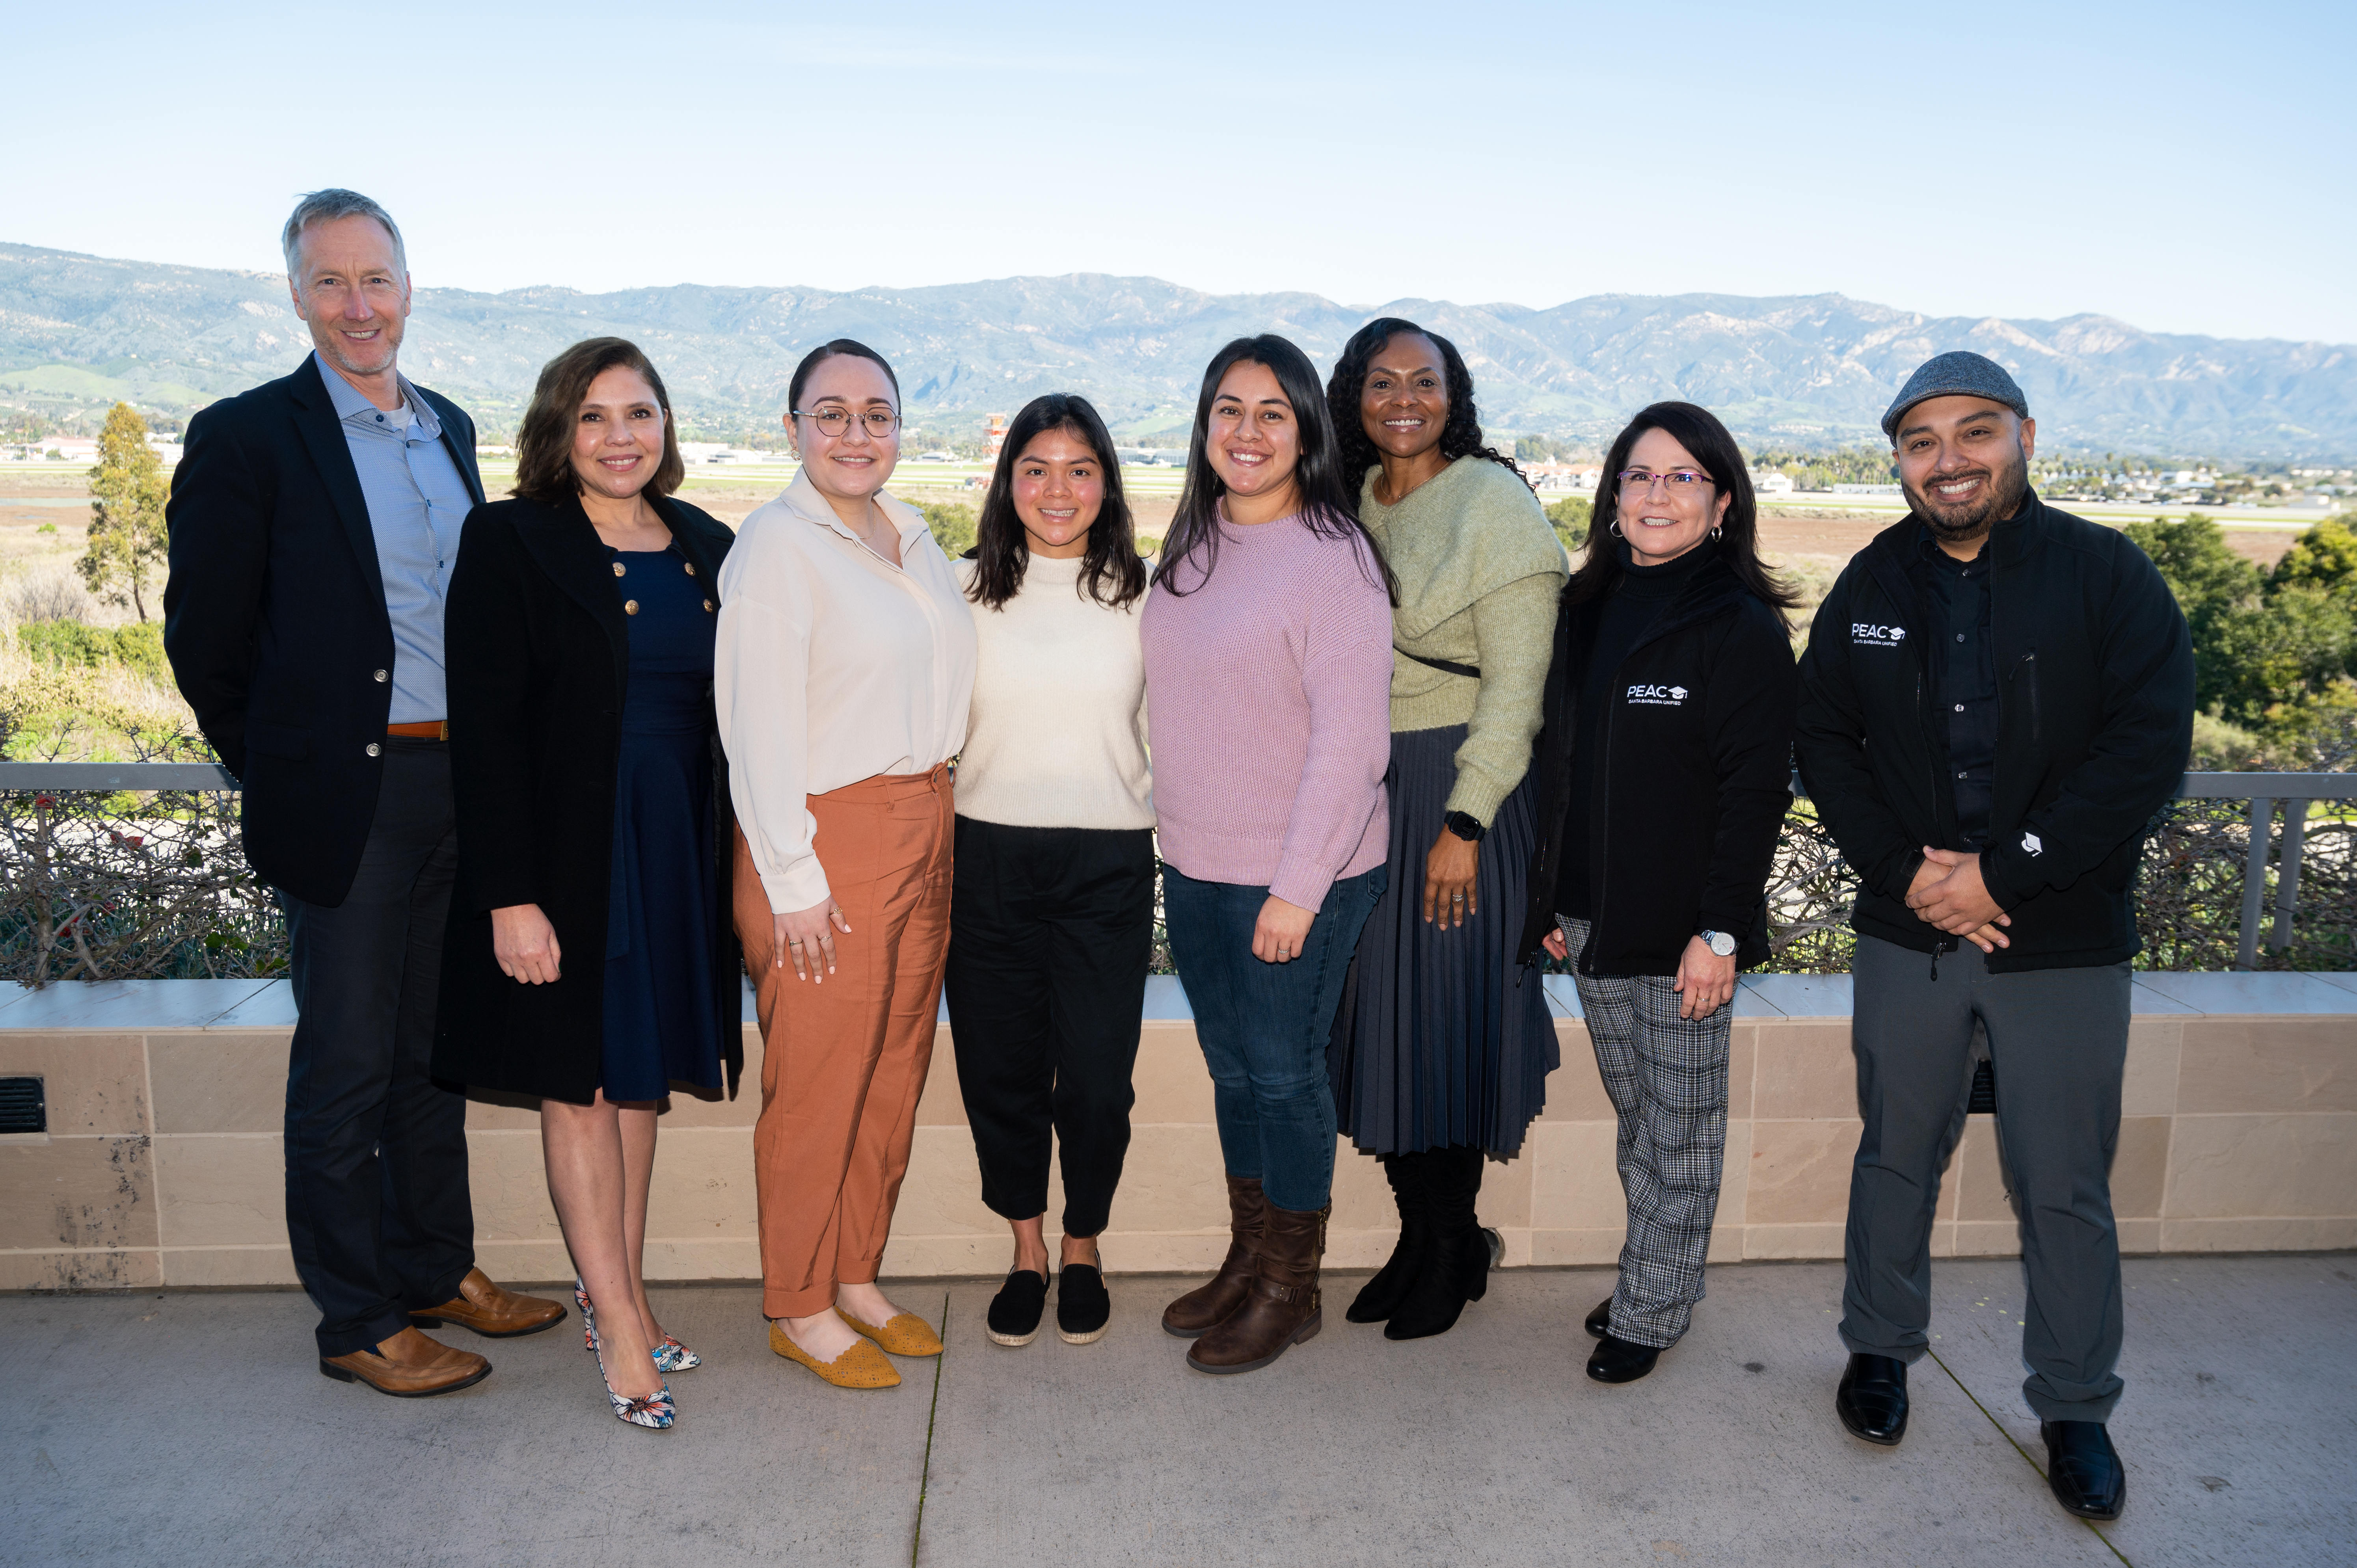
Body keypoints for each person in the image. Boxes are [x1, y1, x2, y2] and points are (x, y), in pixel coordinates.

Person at [162, 189, 563, 1399]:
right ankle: (355, 1317)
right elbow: (206, 641)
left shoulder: (447, 423)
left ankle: (438, 1269)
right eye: (330, 281)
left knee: (429, 1052)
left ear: (408, 287)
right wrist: (282, 765)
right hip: (351, 797)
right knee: (341, 1065)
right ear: (295, 294)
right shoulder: (248, 436)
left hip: (461, 782)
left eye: (375, 279)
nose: (357, 305)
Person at [1794, 352, 2192, 1521]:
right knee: (1893, 1153)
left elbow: (2143, 750)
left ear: (2022, 434)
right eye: (1921, 442)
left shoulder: (2106, 576)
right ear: (1901, 461)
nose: (1948, 459)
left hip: (2057, 935)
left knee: (2061, 1183)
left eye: (1973, 433)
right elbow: (1823, 739)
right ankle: (1877, 1349)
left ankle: (2074, 1407)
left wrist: (2005, 869)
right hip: (1906, 928)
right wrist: (1909, 872)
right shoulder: (1870, 581)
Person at [433, 338, 737, 1429]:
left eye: (641, 413)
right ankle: (613, 1321)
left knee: (641, 1083)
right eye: (596, 415)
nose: (622, 436)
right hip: (567, 861)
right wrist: (510, 894)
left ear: (666, 426)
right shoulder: (511, 537)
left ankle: (627, 1289)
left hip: (673, 851)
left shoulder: (707, 543)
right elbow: (487, 730)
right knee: (581, 1086)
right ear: (560, 429)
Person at [1516, 401, 1799, 1386]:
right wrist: (1546, 902)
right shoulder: (1583, 609)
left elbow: (1757, 792)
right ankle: (1656, 1271)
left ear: (1721, 502)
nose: (1656, 494)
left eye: (1683, 477)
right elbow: (1560, 769)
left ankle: (1653, 1304)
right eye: (1639, 475)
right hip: (1590, 919)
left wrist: (1718, 931)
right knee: (1639, 1114)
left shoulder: (1738, 627)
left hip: (1681, 930)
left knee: (1679, 1126)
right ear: (1611, 495)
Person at [717, 339, 977, 1390]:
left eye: (876, 413)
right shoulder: (777, 548)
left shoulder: (909, 535)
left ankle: (855, 1274)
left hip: (926, 819)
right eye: (831, 413)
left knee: (890, 1072)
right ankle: (795, 1301)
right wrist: (794, 880)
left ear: (901, 428)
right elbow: (757, 726)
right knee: (818, 1086)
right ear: (791, 429)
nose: (856, 432)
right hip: (825, 838)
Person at [1141, 335, 1396, 1376]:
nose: (1246, 432)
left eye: (1270, 413)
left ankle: (1291, 1288)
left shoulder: (1332, 556)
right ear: (1204, 425)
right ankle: (1250, 1255)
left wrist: (1295, 889)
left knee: (1285, 1077)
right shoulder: (1194, 543)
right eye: (1227, 410)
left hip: (1305, 871)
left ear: (1304, 431)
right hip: (1195, 862)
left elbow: (1351, 744)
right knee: (1233, 1069)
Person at [1321, 319, 1566, 1341]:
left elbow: (1516, 692)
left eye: (1424, 380)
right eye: (1382, 381)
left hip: (1456, 799)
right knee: (1378, 1027)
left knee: (1442, 1035)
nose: (1403, 397)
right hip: (1364, 797)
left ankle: (1450, 1239)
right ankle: (1425, 1238)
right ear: (1354, 396)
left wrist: (1462, 822)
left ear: (1452, 393)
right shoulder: (1350, 501)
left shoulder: (1494, 504)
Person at [946, 393, 1154, 1351]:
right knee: (1001, 1071)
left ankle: (1084, 1244)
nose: (1056, 488)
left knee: (1100, 1083)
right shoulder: (959, 593)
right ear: (1007, 482)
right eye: (1036, 468)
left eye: (1078, 469)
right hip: (985, 856)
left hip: (1108, 861)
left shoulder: (1147, 599)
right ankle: (1026, 1249)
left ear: (1105, 483)